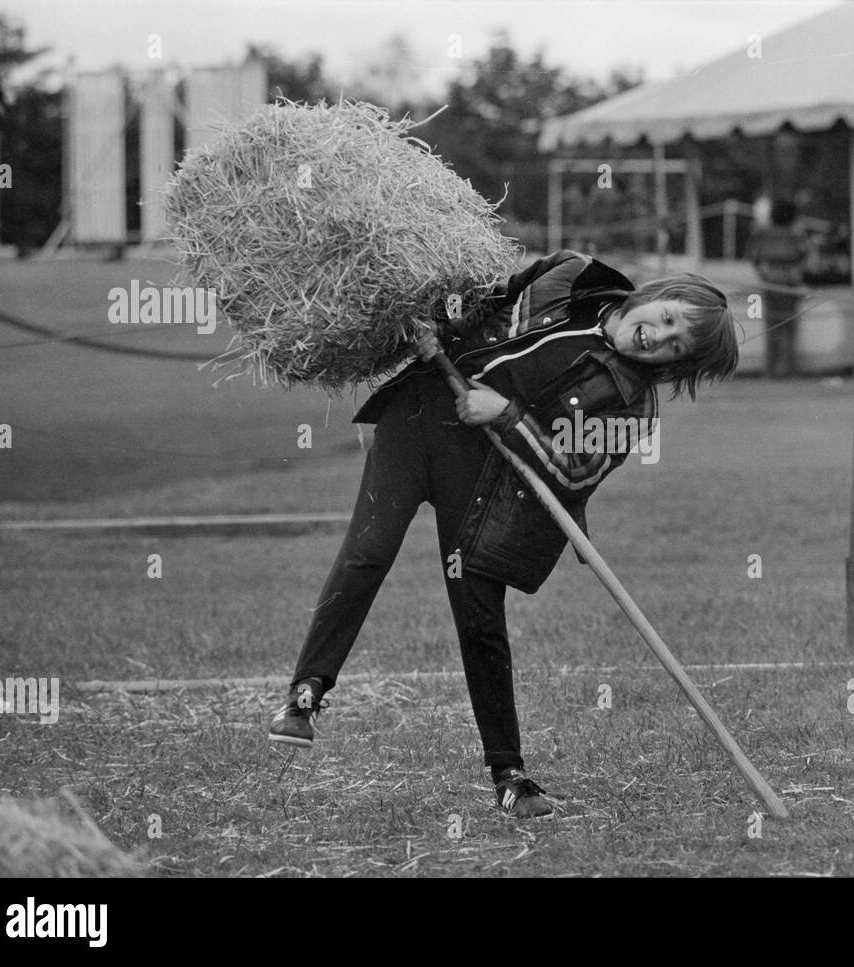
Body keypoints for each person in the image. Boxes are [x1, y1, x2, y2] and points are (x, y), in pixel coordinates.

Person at [265, 250, 739, 819]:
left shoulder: (631, 404)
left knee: (480, 615)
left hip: (489, 482)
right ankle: (306, 694)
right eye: (668, 319)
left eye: (675, 346)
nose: (657, 337)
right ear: (658, 293)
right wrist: (434, 325)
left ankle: (510, 776)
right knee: (367, 553)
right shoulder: (572, 276)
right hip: (419, 419)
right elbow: (484, 296)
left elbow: (573, 469)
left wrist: (505, 415)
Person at [746, 200, 809, 378]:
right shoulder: (795, 235)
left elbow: (752, 255)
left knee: (772, 325)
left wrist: (763, 274)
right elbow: (805, 254)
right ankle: (788, 368)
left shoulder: (763, 234)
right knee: (790, 326)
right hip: (790, 283)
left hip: (770, 282)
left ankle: (771, 369)